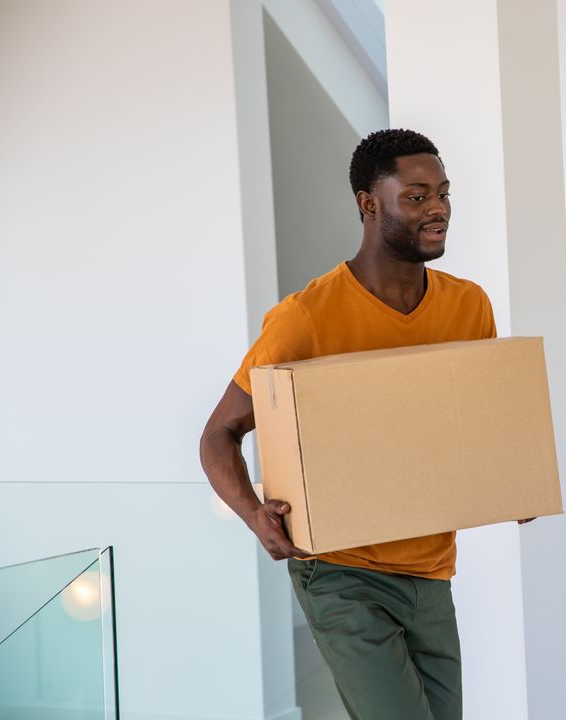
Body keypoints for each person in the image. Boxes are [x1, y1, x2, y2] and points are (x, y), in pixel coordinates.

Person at [199, 128, 533, 720]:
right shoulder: (306, 316)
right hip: (339, 571)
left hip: (431, 570)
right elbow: (219, 433)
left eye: (444, 194)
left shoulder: (469, 306)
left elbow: (476, 425)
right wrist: (255, 515)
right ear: (368, 203)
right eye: (417, 196)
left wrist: (513, 479)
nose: (438, 210)